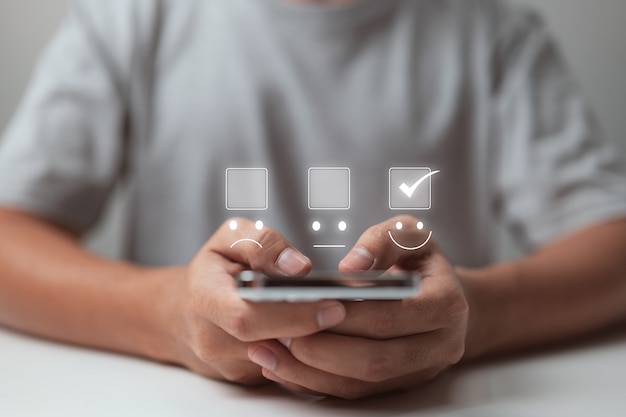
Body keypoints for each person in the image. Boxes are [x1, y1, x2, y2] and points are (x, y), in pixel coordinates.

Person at [0, 0, 625, 400]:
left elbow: (613, 243)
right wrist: (165, 314)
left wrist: (476, 316)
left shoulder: (495, 33)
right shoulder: (128, 18)